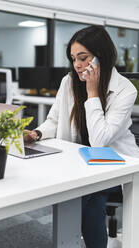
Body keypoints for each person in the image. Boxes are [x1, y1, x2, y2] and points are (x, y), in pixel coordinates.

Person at [24, 25, 139, 248]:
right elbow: (54, 120)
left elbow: (99, 141)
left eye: (83, 57)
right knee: (81, 191)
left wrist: (92, 92)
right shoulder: (68, 82)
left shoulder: (126, 89)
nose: (77, 64)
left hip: (115, 163)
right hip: (79, 161)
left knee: (89, 194)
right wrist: (37, 133)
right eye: (73, 58)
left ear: (101, 56)